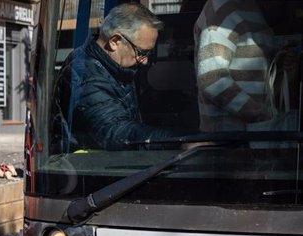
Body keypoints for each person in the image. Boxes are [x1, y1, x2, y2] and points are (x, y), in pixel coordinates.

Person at [53, 2, 177, 151]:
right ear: (115, 42)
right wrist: (178, 141)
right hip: (87, 169)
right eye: (142, 53)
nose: (145, 61)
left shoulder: (115, 67)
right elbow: (116, 132)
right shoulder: (84, 75)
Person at [194, 0, 276, 132]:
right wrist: (258, 114)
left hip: (256, 134)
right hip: (230, 139)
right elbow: (212, 78)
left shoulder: (252, 8)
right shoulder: (221, 8)